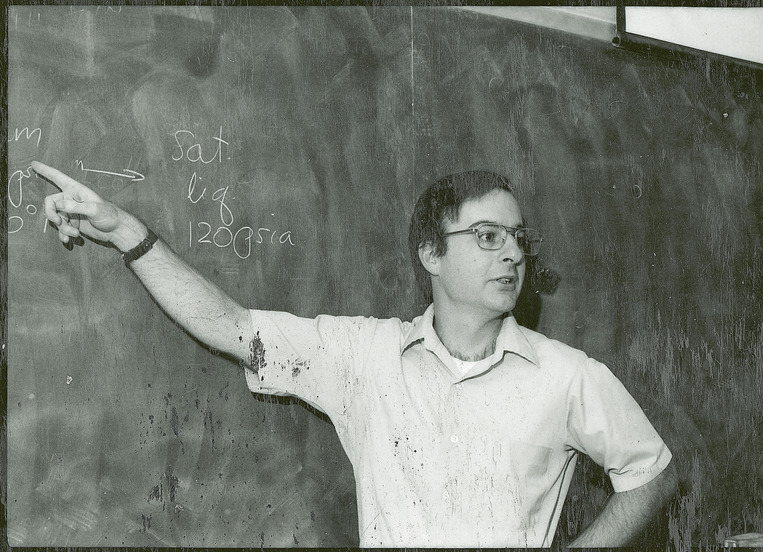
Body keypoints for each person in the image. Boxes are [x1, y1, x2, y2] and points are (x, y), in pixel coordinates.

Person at [34, 162, 677, 547]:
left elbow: (652, 474)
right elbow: (230, 325)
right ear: (431, 254)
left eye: (517, 238)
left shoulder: (568, 376)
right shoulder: (363, 357)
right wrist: (126, 232)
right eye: (486, 237)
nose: (512, 254)